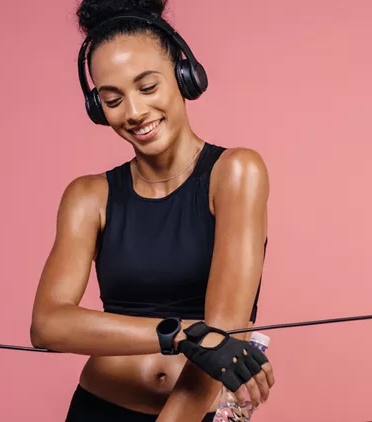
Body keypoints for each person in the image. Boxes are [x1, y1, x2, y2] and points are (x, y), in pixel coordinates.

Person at [29, 0, 274, 420]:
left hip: (196, 410)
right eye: (112, 99)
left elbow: (221, 343)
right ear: (96, 107)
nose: (135, 112)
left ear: (184, 75)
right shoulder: (88, 196)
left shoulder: (235, 172)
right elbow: (48, 325)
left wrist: (202, 340)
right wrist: (182, 334)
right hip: (97, 408)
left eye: (147, 87)